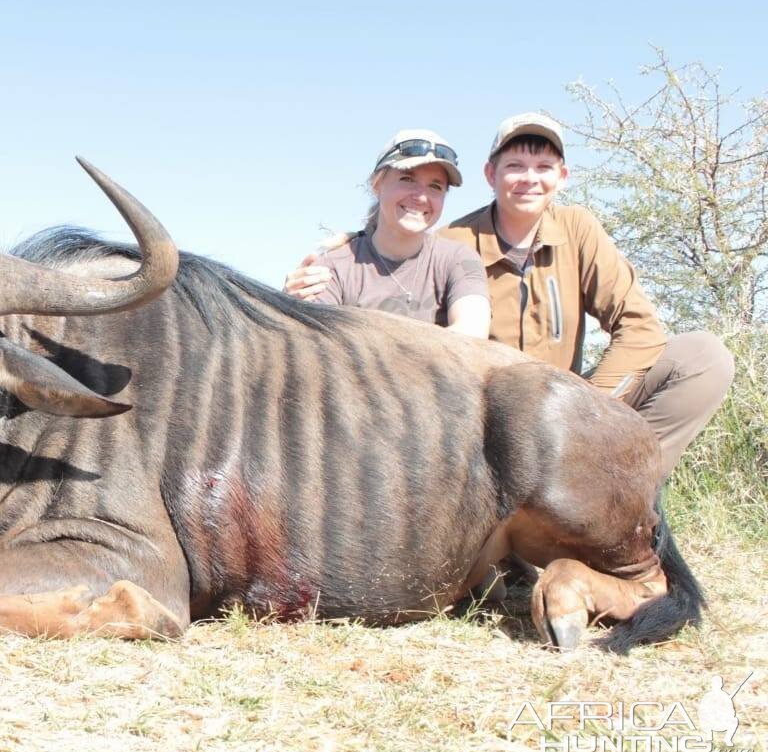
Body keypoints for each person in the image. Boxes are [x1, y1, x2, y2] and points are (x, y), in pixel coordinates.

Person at [289, 113, 734, 481]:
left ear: (562, 177)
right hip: (493, 425)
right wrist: (328, 264)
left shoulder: (578, 228)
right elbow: (401, 246)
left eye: (543, 168)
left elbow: (639, 327)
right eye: (515, 166)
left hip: (569, 406)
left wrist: (589, 411)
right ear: (491, 175)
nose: (529, 179)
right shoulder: (455, 243)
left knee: (702, 356)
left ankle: (622, 492)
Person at [284, 129, 491, 338]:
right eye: (407, 179)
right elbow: (312, 343)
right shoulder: (333, 267)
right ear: (377, 184)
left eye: (435, 186)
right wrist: (287, 308)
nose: (420, 197)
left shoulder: (460, 259)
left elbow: (472, 334)